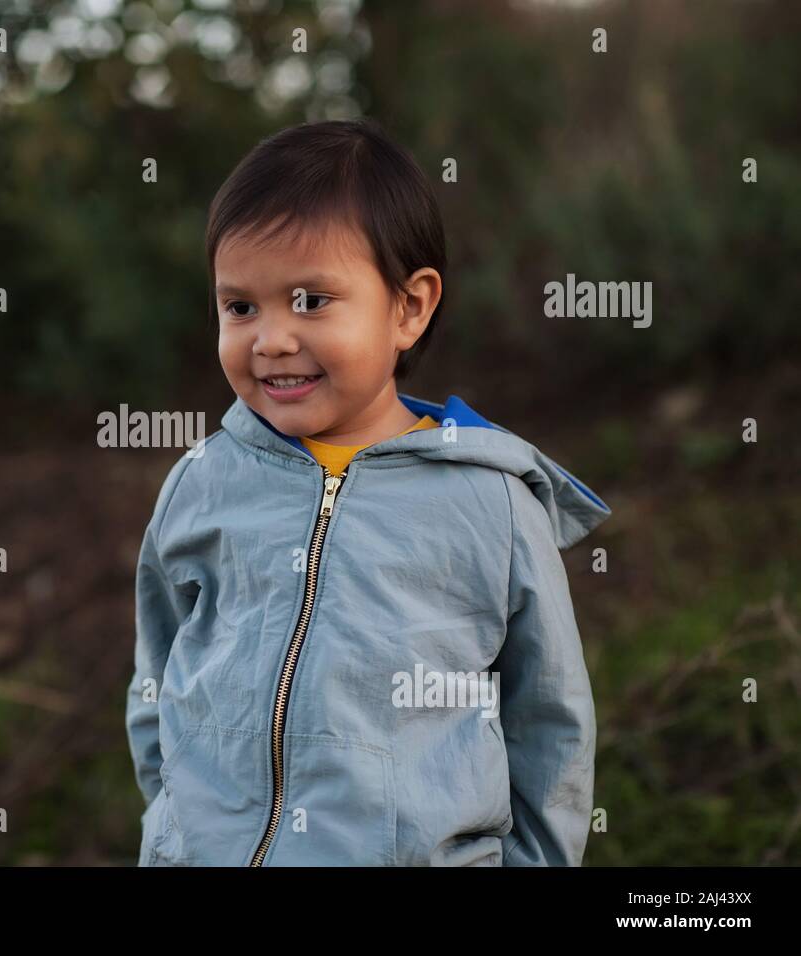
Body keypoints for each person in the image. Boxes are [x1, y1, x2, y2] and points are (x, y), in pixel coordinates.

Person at [125, 118, 610, 866]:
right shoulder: (202, 484)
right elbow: (159, 676)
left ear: (409, 308)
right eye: (240, 306)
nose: (272, 339)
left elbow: (548, 721)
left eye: (311, 301)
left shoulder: (491, 505)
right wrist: (173, 831)